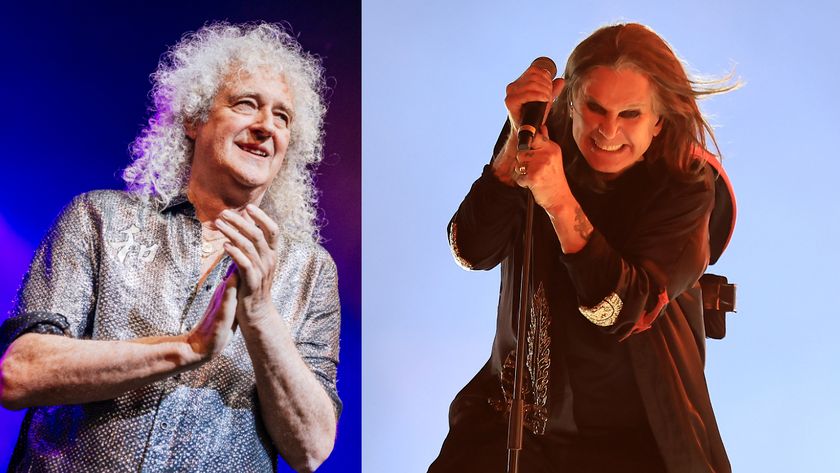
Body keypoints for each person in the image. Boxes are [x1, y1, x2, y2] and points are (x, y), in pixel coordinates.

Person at [0, 22, 340, 473]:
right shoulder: (100, 219)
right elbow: (20, 373)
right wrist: (188, 348)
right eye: (246, 104)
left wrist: (259, 315)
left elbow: (312, 448)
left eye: (283, 117)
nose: (265, 126)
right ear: (194, 119)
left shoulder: (310, 270)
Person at [430, 23, 738, 472]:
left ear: (658, 119)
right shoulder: (538, 133)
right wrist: (511, 156)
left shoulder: (686, 185)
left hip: (633, 442)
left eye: (630, 114)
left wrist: (558, 202)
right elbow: (471, 250)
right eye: (595, 108)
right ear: (571, 100)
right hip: (512, 422)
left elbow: (621, 310)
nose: (608, 130)